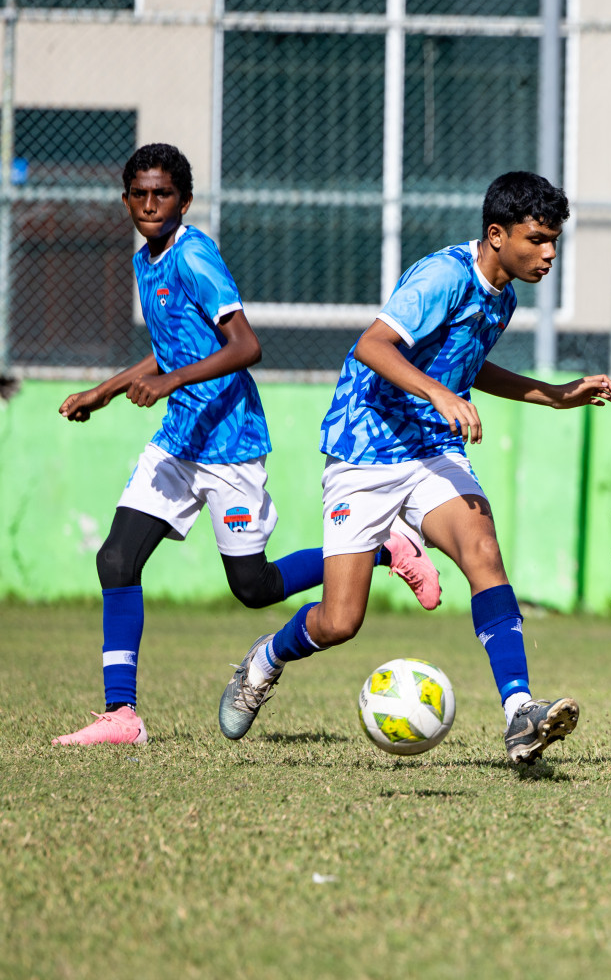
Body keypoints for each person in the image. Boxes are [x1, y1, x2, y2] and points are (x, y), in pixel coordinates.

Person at [216, 171, 611, 766]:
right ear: (497, 234)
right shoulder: (443, 276)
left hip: (430, 450)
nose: (550, 253)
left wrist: (552, 394)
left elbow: (468, 363)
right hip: (364, 448)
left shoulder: (501, 294)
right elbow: (373, 346)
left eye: (555, 239)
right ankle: (266, 659)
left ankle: (519, 714)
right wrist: (439, 395)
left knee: (482, 551)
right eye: (538, 239)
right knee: (339, 621)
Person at [51, 143, 439, 747]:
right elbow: (179, 345)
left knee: (253, 589)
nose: (151, 204)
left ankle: (387, 548)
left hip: (230, 444)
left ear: (184, 200)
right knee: (116, 560)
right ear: (125, 197)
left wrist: (166, 382)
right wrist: (109, 388)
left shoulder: (195, 255)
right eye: (140, 193)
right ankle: (121, 716)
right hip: (178, 440)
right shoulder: (144, 260)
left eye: (163, 194)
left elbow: (244, 345)